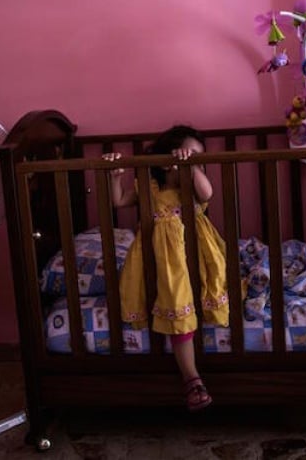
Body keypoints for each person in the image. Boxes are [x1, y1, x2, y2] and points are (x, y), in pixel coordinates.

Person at [102, 125, 228, 412]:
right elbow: (119, 201)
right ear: (166, 151)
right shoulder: (149, 183)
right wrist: (114, 176)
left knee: (206, 291)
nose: (190, 157)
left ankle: (194, 371)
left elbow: (207, 192)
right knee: (177, 305)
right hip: (163, 259)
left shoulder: (191, 182)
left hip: (196, 253)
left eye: (198, 156)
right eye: (186, 151)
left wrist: (191, 166)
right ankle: (191, 378)